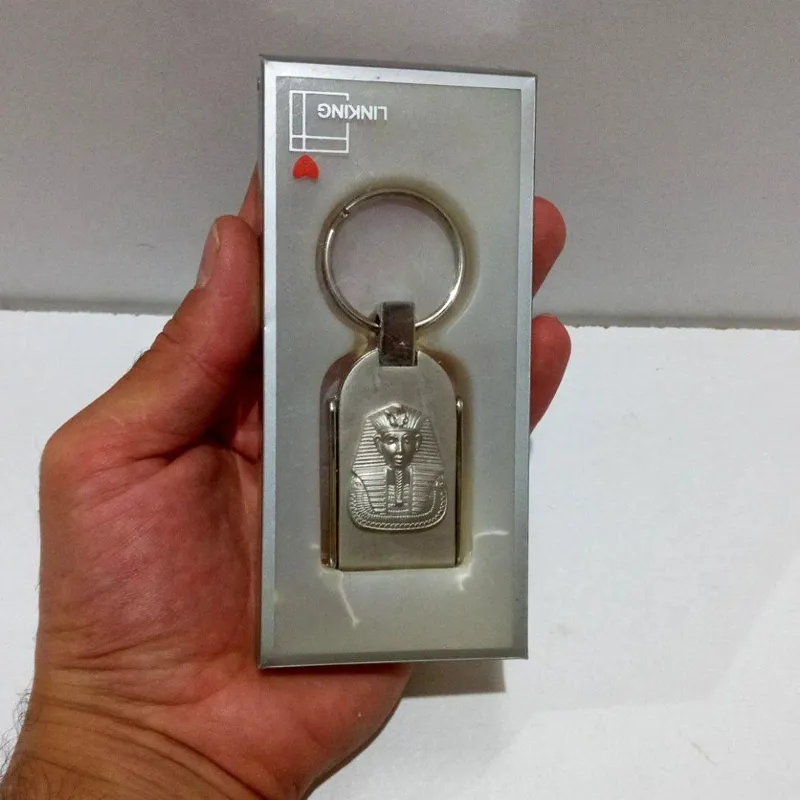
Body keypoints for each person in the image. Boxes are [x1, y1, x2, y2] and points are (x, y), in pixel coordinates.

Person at [1, 173, 570, 799]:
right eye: (389, 440)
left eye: (406, 441)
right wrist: (126, 727)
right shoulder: (362, 387)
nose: (398, 446)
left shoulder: (426, 388)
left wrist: (133, 738)